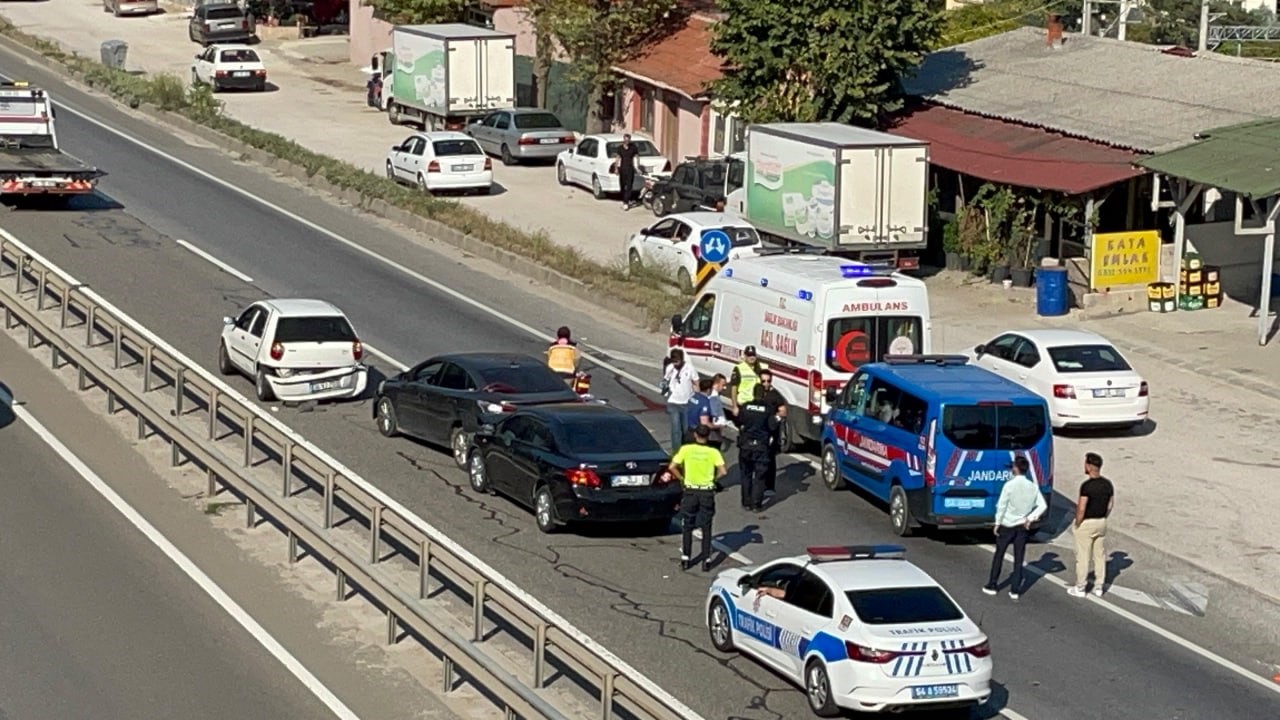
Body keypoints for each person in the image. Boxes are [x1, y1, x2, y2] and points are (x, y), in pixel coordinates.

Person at [983, 457, 1048, 600]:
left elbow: (1002, 505)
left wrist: (997, 522)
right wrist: (1030, 518)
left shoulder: (1009, 485)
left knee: (999, 554)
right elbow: (1043, 505)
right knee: (1019, 558)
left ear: (1016, 468)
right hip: (1022, 526)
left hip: (1007, 525)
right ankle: (1015, 590)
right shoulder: (1033, 486)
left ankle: (993, 584)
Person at [668, 425, 727, 571]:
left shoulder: (686, 449)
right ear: (708, 436)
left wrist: (682, 479)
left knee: (687, 525)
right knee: (706, 526)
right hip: (706, 491)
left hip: (690, 491)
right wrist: (713, 479)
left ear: (695, 435)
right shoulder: (713, 452)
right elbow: (723, 471)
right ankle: (706, 559)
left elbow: (672, 467)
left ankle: (686, 558)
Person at [1069, 452, 1114, 598]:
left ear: (1089, 466)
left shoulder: (1087, 486)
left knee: (1083, 556)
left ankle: (1080, 587)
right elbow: (1110, 504)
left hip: (1087, 523)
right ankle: (1099, 586)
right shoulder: (1107, 484)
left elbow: (1081, 508)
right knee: (1099, 555)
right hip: (1101, 522)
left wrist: (1078, 522)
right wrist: (1104, 517)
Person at [736, 384, 780, 512]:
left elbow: (739, 421)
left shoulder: (746, 407)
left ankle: (746, 502)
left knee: (746, 475)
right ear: (764, 394)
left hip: (746, 445)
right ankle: (756, 504)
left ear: (753, 393)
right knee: (760, 476)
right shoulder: (768, 409)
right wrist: (777, 420)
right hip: (761, 446)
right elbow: (772, 427)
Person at [755, 369, 787, 496]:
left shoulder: (775, 395)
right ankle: (758, 483)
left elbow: (783, 410)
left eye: (768, 381)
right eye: (763, 381)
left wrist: (775, 418)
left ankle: (769, 486)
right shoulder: (756, 392)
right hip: (758, 430)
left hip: (771, 430)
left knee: (769, 458)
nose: (766, 384)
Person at [662, 348, 697, 452]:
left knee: (686, 429)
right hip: (673, 402)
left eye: (677, 361)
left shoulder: (689, 368)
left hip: (687, 402)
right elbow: (665, 380)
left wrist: (698, 397)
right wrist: (664, 385)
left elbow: (696, 381)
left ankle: (686, 449)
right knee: (676, 429)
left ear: (682, 359)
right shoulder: (670, 368)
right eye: (673, 361)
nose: (675, 364)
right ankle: (677, 452)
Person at [729, 346, 768, 420]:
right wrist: (734, 406)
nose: (752, 357)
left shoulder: (763, 367)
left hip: (757, 404)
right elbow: (734, 388)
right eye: (749, 355)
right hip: (744, 403)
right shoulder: (739, 368)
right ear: (745, 356)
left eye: (753, 355)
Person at [685, 378, 722, 450]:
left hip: (688, 431)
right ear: (708, 390)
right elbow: (704, 422)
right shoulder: (705, 403)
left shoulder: (693, 397)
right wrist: (718, 426)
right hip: (697, 435)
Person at [611, 134, 641, 210]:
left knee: (629, 186)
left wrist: (637, 167)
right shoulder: (620, 148)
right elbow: (617, 158)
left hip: (630, 169)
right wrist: (616, 168)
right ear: (623, 140)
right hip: (622, 169)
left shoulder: (633, 147)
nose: (627, 141)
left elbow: (637, 157)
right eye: (625, 140)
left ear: (630, 140)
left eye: (628, 140)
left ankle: (626, 202)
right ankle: (624, 199)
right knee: (622, 186)